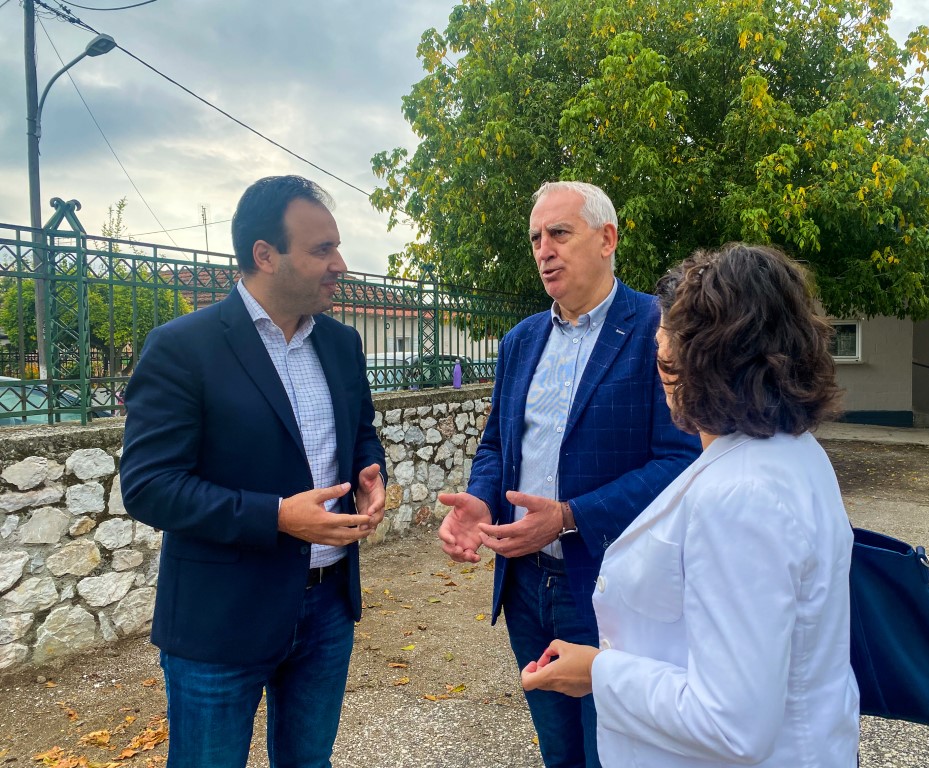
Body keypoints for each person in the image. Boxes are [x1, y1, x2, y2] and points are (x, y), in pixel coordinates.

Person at [520, 242, 860, 767]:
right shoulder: (793, 452)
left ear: (705, 359)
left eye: (664, 346)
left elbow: (733, 724)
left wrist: (599, 673)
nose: (655, 352)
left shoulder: (741, 497)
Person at [120, 175, 386, 768]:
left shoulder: (341, 344)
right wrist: (277, 517)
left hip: (327, 607)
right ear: (265, 255)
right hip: (220, 618)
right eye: (322, 249)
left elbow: (361, 432)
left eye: (337, 247)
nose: (340, 265)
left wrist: (372, 473)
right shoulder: (182, 347)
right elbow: (149, 485)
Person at [438, 181, 702, 767]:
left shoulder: (658, 329)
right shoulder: (521, 340)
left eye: (559, 233)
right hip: (526, 587)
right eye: (536, 238)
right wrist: (482, 500)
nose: (544, 250)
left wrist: (569, 517)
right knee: (558, 751)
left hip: (614, 587)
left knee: (617, 752)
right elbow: (497, 443)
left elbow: (680, 462)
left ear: (607, 239)